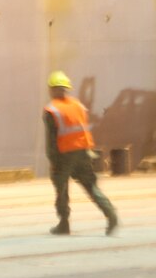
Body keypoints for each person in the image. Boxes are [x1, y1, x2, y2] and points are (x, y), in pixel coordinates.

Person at [43, 71, 118, 235]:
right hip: (84, 152)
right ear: (66, 89)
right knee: (90, 186)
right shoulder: (78, 105)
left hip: (64, 155)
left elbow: (51, 141)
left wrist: (53, 161)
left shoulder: (51, 110)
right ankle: (110, 213)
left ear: (52, 89)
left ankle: (64, 224)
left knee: (61, 188)